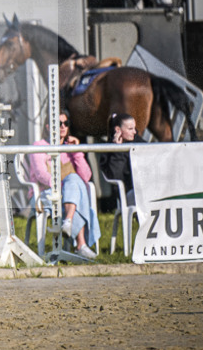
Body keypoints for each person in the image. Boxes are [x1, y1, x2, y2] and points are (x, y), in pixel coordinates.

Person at [27, 109, 100, 259]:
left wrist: (76, 151)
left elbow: (86, 176)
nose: (62, 127)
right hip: (45, 194)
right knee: (74, 187)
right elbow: (41, 174)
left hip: (67, 196)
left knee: (74, 179)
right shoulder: (39, 146)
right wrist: (62, 186)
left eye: (65, 123)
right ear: (48, 126)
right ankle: (81, 245)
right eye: (58, 123)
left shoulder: (70, 147)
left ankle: (68, 221)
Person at [99, 112, 144, 206]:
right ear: (118, 130)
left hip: (145, 188)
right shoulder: (108, 151)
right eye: (130, 129)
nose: (135, 132)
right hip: (129, 194)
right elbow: (116, 176)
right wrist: (118, 151)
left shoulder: (139, 143)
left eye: (134, 128)